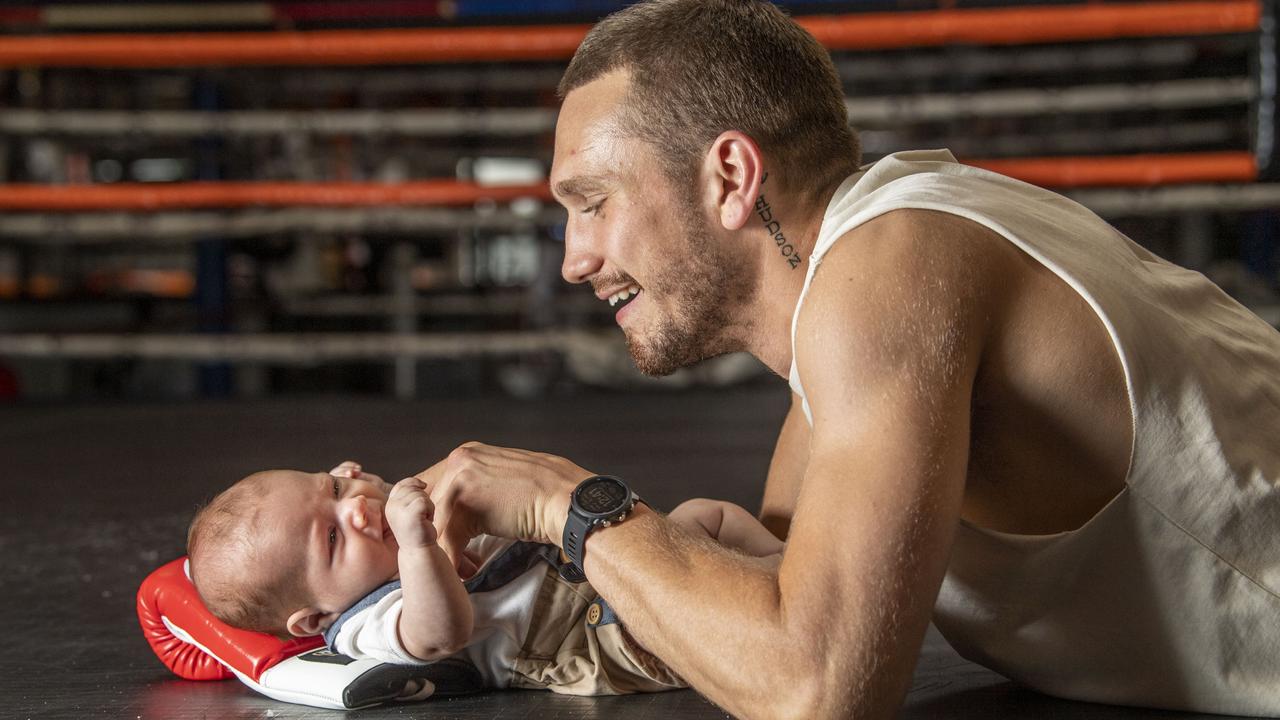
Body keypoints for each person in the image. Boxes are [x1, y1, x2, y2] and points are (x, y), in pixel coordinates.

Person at [410, 1, 1280, 718]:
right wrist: (517, 578)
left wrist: (570, 505)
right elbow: (766, 616)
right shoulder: (853, 311)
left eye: (594, 202)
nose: (573, 258)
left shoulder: (891, 266)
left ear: (728, 177)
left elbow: (816, 686)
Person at [185, 460, 780, 696]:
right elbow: (440, 633)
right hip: (592, 640)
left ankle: (788, 565)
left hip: (602, 580)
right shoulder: (364, 623)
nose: (358, 510)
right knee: (709, 625)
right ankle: (766, 613)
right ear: (315, 617)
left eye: (337, 490)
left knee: (707, 516)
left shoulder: (397, 524)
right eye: (334, 538)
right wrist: (419, 547)